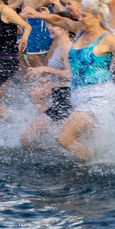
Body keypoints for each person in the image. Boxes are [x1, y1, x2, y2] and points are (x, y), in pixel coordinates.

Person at [58, 0, 115, 161]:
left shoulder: (107, 38)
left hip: (99, 96)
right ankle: (94, 167)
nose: (79, 18)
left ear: (97, 17)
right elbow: (59, 19)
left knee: (64, 138)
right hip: (79, 94)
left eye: (84, 15)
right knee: (93, 143)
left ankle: (89, 165)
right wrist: (37, 16)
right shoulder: (81, 31)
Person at [20, 14, 73, 145]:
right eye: (49, 24)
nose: (49, 27)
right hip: (59, 100)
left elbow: (72, 76)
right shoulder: (59, 46)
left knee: (26, 139)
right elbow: (60, 72)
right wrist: (46, 78)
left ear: (65, 29)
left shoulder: (67, 48)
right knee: (29, 139)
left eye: (53, 25)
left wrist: (46, 70)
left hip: (65, 102)